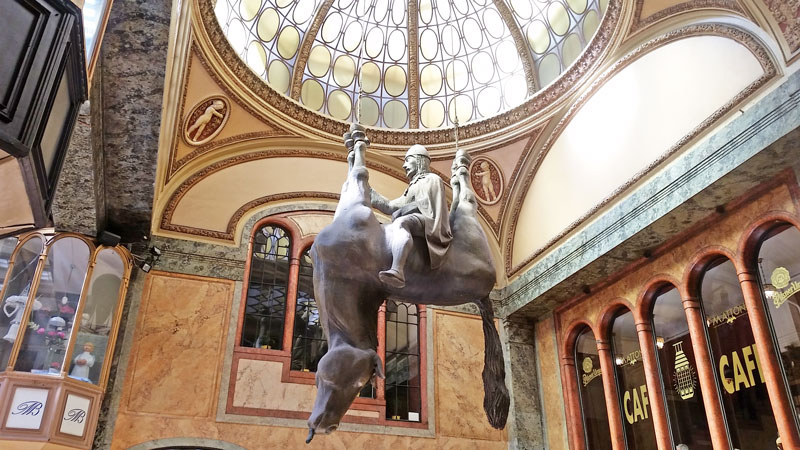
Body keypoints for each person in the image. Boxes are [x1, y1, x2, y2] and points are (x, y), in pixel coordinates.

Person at [370, 144, 452, 289]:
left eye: (408, 160)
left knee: (402, 222)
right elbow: (391, 206)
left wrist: (403, 211)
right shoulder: (413, 186)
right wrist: (371, 194)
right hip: (419, 220)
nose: (404, 165)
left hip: (431, 222)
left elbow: (428, 206)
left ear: (420, 160)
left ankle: (397, 270)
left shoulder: (433, 179)